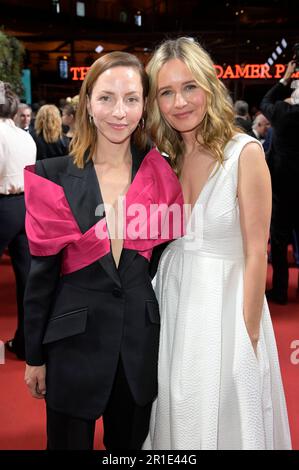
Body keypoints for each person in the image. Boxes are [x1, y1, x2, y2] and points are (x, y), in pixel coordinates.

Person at [23, 52, 184, 450]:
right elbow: (40, 276)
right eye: (106, 98)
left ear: (144, 106)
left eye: (131, 98)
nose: (119, 111)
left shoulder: (161, 174)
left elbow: (162, 261)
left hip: (138, 343)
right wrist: (34, 356)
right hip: (71, 345)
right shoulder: (52, 175)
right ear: (88, 103)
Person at [143, 37, 291, 450]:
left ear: (209, 85)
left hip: (225, 309)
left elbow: (256, 250)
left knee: (227, 416)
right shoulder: (165, 156)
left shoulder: (244, 153)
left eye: (189, 86)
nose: (179, 102)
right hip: (171, 302)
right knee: (174, 404)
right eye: (166, 92)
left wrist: (248, 334)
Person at [0, 82, 36, 360]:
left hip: (3, 206)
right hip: (25, 207)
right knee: (28, 281)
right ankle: (26, 343)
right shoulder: (25, 136)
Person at [260, 60, 299, 305]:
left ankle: (281, 291)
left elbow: (265, 101)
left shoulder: (282, 114)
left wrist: (284, 78)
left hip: (283, 188)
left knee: (279, 240)